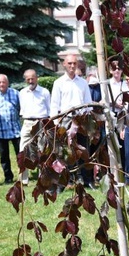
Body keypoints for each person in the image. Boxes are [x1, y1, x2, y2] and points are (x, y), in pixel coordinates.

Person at [50, 54, 94, 188]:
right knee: (65, 152)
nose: (72, 66)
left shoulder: (83, 83)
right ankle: (64, 182)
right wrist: (56, 124)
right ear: (64, 64)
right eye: (69, 63)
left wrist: (87, 121)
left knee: (84, 150)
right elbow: (54, 105)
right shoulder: (58, 83)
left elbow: (88, 103)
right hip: (65, 121)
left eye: (74, 63)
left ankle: (88, 181)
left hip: (81, 121)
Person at [18, 69, 51, 185]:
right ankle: (23, 179)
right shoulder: (22, 93)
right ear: (25, 79)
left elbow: (49, 109)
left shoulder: (44, 92)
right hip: (27, 123)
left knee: (42, 150)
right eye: (28, 79)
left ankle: (43, 177)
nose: (30, 81)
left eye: (32, 78)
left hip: (41, 123)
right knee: (23, 150)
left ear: (37, 78)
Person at [0, 73, 21, 185]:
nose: (2, 84)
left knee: (20, 154)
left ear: (7, 83)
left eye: (4, 82)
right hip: (0, 130)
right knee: (4, 156)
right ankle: (8, 177)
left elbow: (20, 109)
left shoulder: (16, 93)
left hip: (15, 130)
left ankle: (22, 175)